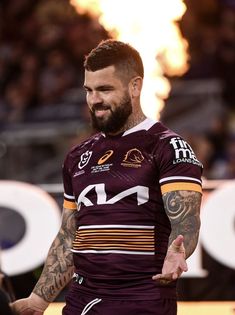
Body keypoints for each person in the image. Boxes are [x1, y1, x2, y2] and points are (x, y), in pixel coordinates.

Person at [11, 39, 202, 315]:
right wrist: (38, 300)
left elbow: (186, 219)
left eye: (104, 89)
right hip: (81, 301)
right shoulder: (77, 156)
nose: (94, 100)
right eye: (88, 90)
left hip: (141, 301)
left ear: (135, 87)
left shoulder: (168, 146)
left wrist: (178, 251)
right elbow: (69, 236)